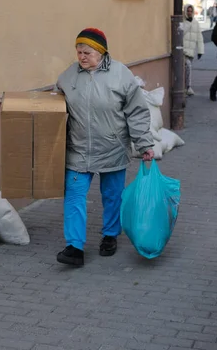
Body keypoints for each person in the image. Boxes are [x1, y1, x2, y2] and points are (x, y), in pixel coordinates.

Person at [54, 28, 155, 266]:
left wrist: (144, 144)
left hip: (112, 146)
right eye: (78, 52)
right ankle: (74, 247)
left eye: (87, 52)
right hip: (78, 149)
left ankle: (110, 235)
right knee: (74, 196)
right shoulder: (68, 77)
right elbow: (56, 108)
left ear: (101, 52)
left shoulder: (121, 75)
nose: (81, 56)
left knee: (112, 196)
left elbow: (137, 112)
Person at [183, 4, 204, 97]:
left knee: (187, 70)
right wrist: (188, 23)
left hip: (191, 52)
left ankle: (185, 88)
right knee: (188, 67)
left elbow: (200, 38)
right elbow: (181, 32)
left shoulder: (196, 23)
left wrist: (200, 51)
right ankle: (188, 87)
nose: (189, 13)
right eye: (188, 11)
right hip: (183, 52)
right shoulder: (182, 21)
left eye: (191, 11)